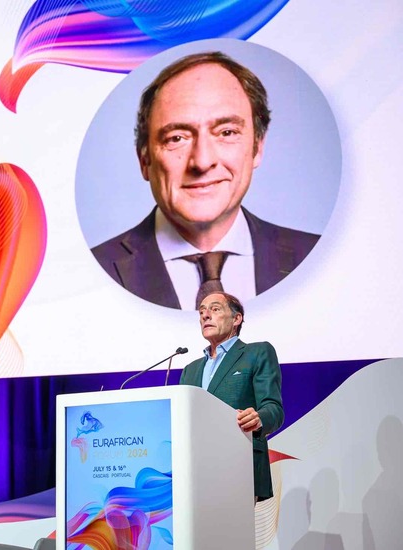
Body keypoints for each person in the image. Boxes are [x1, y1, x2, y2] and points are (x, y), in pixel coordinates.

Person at [91, 51, 319, 310]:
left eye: (226, 132)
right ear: (144, 160)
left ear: (257, 148)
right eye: (177, 138)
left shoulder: (318, 257)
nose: (202, 161)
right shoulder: (93, 272)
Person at [179, 291, 283, 502]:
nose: (205, 315)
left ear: (236, 319)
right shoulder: (190, 370)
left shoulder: (257, 352)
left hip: (239, 464)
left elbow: (274, 409)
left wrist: (258, 418)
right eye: (201, 311)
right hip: (194, 470)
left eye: (215, 309)